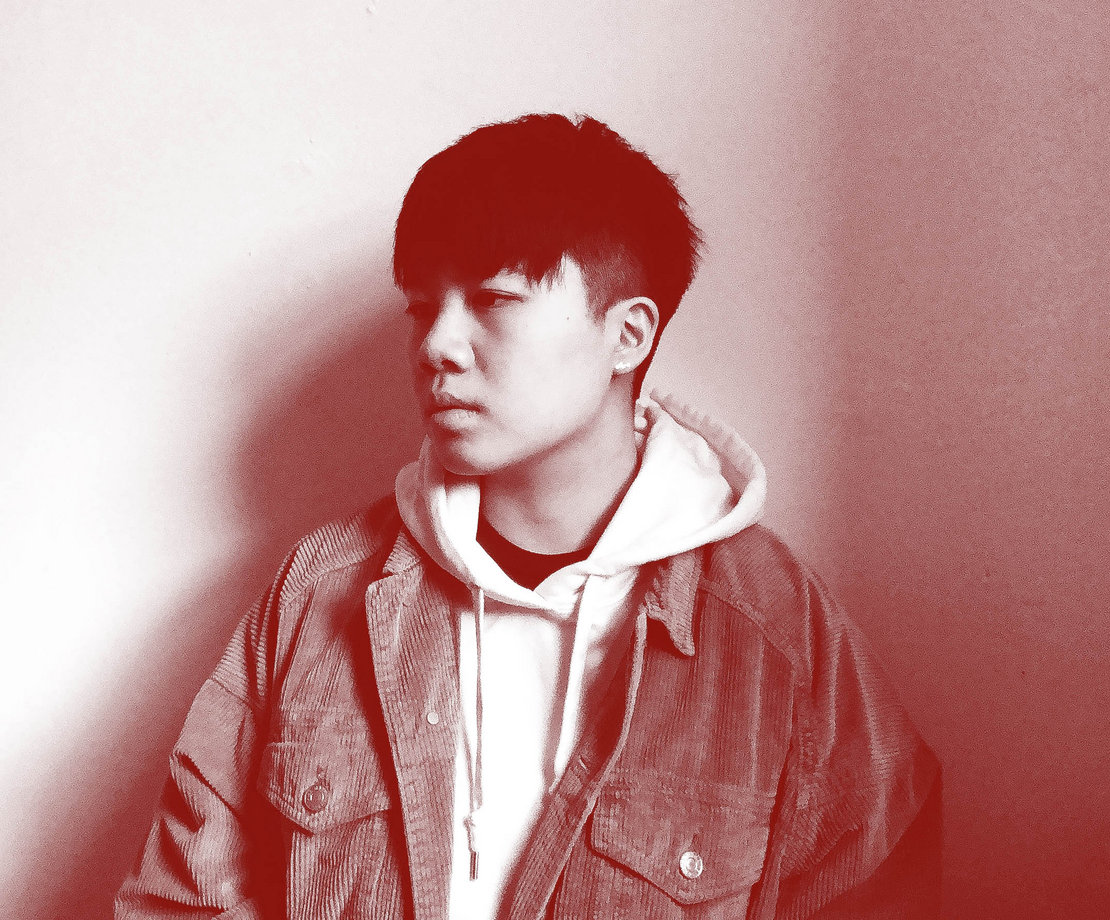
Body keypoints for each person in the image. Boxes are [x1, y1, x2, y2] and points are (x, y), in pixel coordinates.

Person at [116, 113, 941, 919]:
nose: (437, 345)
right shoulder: (320, 590)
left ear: (628, 335)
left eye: (494, 299)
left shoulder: (773, 627)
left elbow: (876, 886)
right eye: (421, 307)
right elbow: (181, 901)